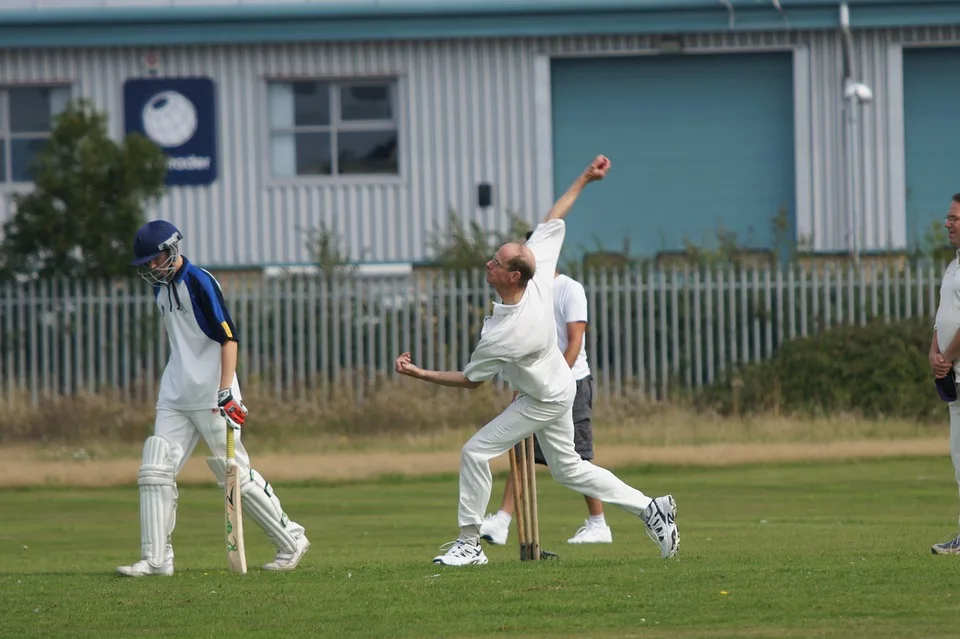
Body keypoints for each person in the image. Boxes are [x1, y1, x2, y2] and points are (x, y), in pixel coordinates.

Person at [394, 155, 678, 566]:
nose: (488, 263)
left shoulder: (506, 333)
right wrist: (585, 178)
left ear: (512, 276)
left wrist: (419, 373)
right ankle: (652, 508)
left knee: (474, 452)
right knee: (570, 471)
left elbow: (471, 381)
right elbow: (553, 218)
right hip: (558, 387)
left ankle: (470, 544)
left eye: (495, 262)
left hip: (544, 399)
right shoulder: (538, 267)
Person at [116, 220, 310, 577]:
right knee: (157, 469)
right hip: (175, 394)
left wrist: (226, 390)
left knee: (235, 475)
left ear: (172, 249)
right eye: (146, 262)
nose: (151, 267)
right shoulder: (161, 291)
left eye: (155, 259)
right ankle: (157, 559)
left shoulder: (200, 282)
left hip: (212, 396)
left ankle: (291, 539)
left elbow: (229, 338)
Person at [480, 232, 611, 545]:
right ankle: (502, 521)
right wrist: (527, 383)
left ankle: (599, 523)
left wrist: (555, 380)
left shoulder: (569, 289)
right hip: (539, 387)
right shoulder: (527, 294)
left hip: (571, 382)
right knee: (522, 451)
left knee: (577, 457)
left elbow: (575, 342)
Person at [931, 193, 960, 554]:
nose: (948, 223)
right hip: (954, 376)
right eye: (948, 218)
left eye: (954, 218)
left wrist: (948, 356)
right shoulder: (953, 265)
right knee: (959, 459)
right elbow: (945, 317)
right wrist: (933, 352)